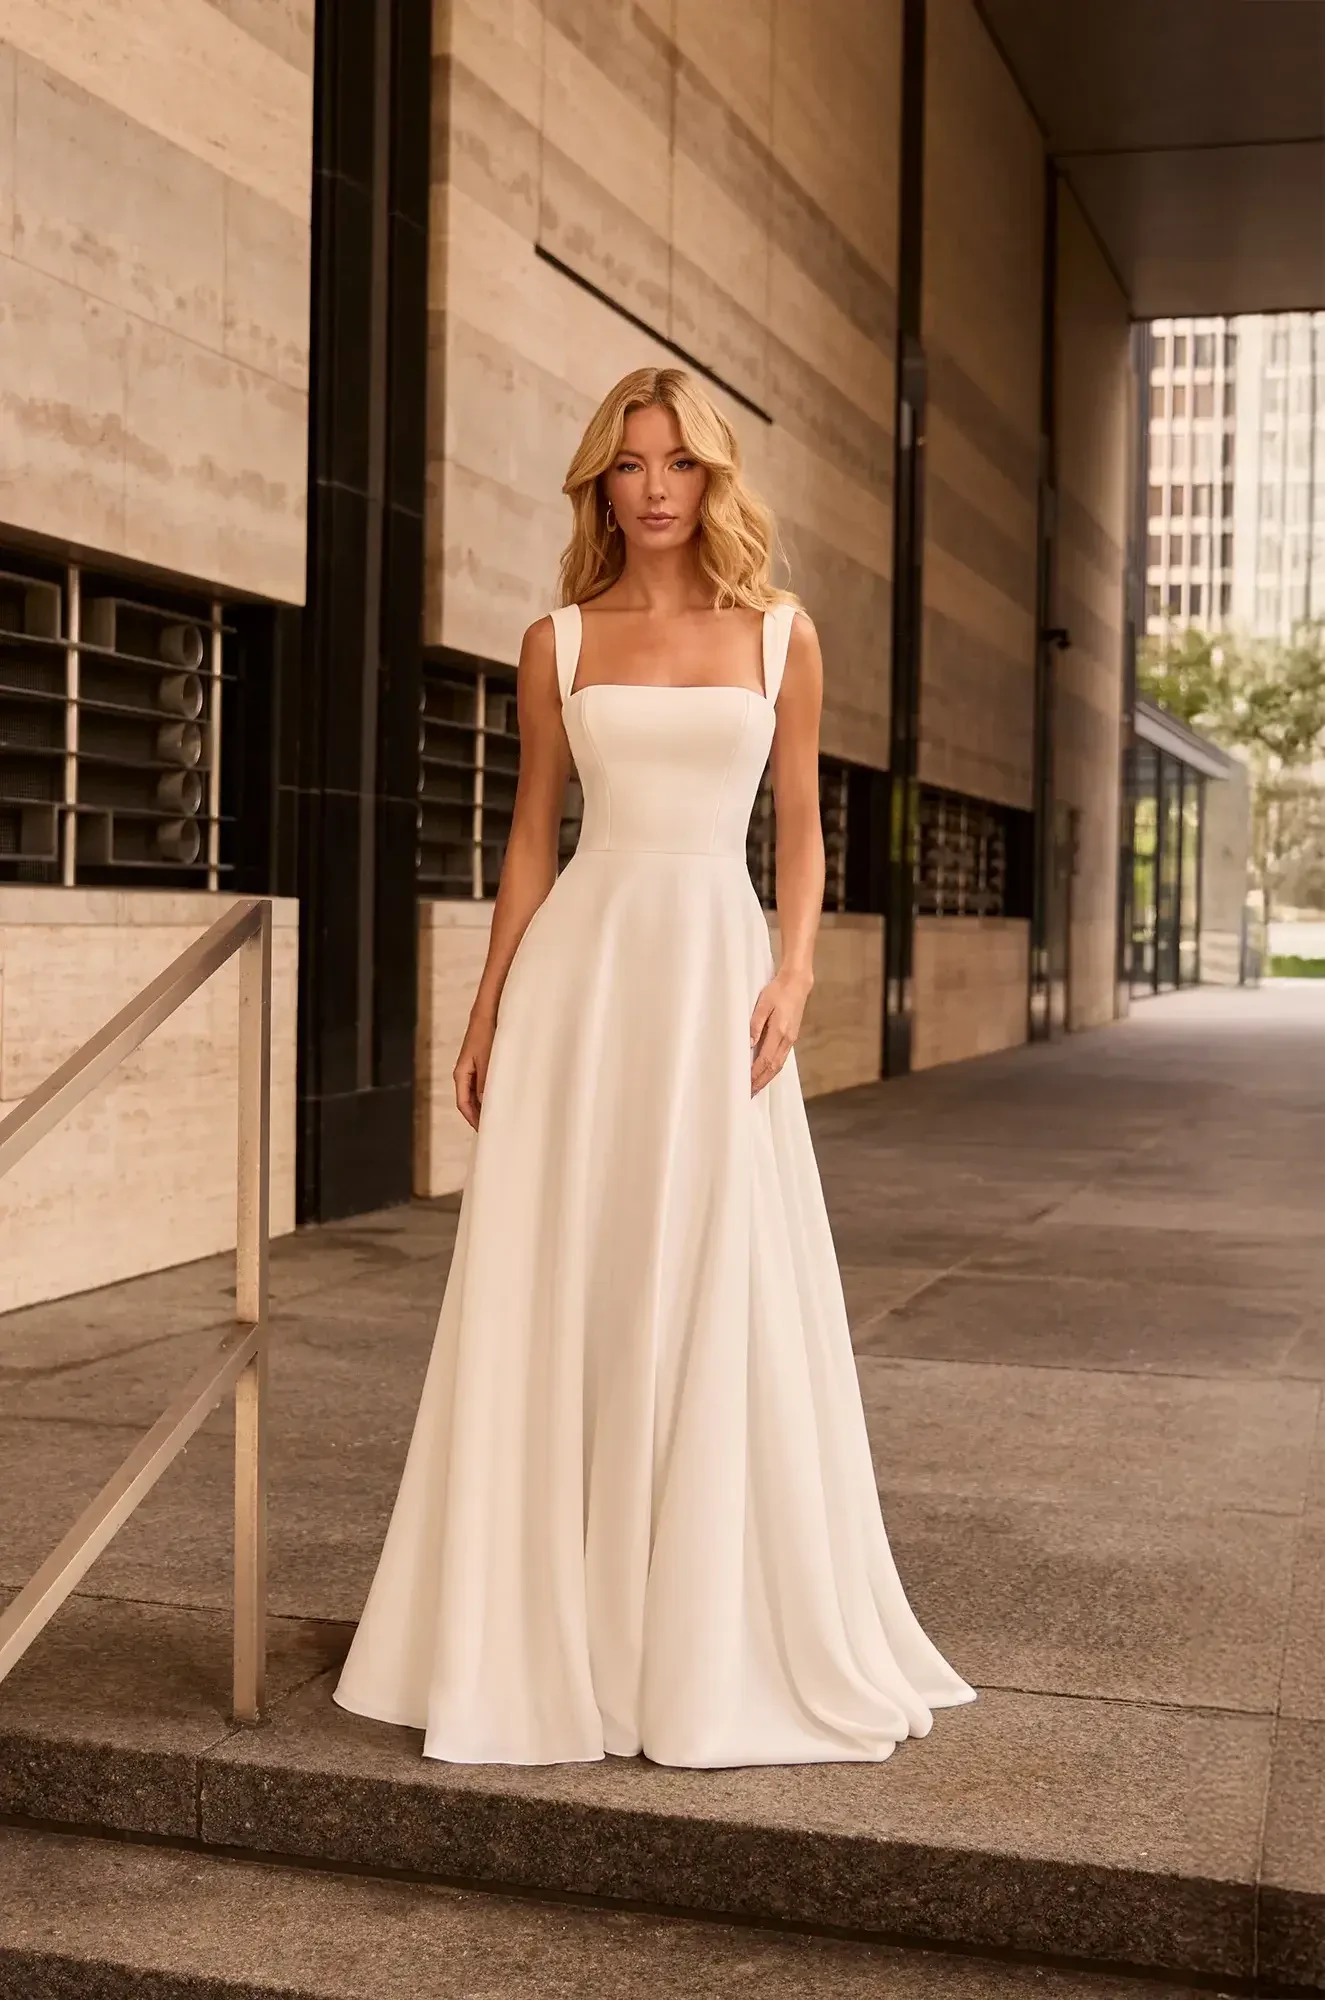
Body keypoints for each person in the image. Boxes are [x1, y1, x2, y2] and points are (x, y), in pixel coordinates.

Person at [332, 365, 976, 1767]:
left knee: (709, 1267)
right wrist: (489, 1004)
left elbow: (804, 826)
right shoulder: (555, 640)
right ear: (600, 485)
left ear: (716, 478)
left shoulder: (781, 634)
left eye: (680, 462)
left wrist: (797, 968)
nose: (657, 485)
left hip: (712, 973)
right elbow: (529, 839)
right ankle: (543, 1629)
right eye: (631, 465)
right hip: (586, 977)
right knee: (575, 1274)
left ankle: (693, 1630)